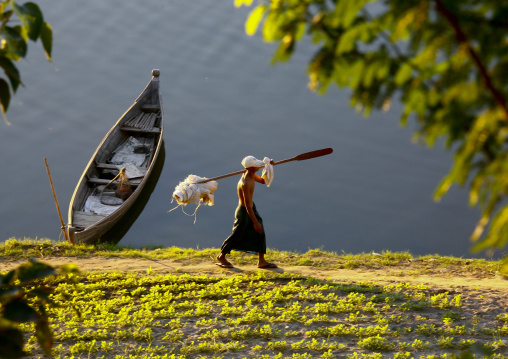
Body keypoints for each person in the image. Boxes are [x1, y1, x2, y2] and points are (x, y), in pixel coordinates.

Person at [216, 156, 277, 269]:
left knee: (260, 232)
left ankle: (261, 261)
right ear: (252, 168)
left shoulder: (250, 175)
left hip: (250, 209)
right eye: (257, 166)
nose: (259, 166)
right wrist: (255, 222)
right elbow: (248, 206)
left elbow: (263, 181)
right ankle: (221, 256)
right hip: (244, 212)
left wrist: (269, 167)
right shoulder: (246, 183)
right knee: (237, 234)